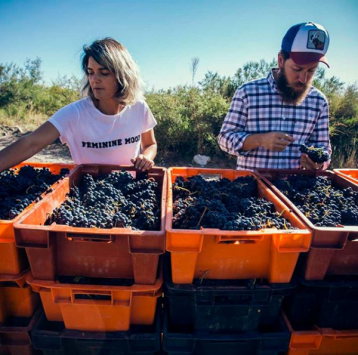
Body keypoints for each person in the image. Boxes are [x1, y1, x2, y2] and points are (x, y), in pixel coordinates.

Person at [0, 38, 157, 172]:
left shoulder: (139, 108)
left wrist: (146, 157)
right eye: (90, 72)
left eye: (104, 73)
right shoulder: (74, 113)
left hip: (129, 190)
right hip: (86, 194)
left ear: (123, 75)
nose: (95, 79)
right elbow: (31, 143)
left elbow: (150, 144)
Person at [218, 22, 331, 170]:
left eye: (311, 70)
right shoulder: (247, 93)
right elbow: (224, 139)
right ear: (280, 61)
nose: (303, 78)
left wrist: (318, 163)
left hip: (295, 190)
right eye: (297, 69)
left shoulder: (319, 101)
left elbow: (324, 149)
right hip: (250, 187)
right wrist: (259, 140)